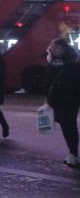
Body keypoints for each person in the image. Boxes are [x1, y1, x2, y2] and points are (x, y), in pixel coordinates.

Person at [45, 38, 80, 168]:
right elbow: (48, 81)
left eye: (57, 47)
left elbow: (75, 80)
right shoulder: (51, 61)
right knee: (66, 126)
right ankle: (72, 153)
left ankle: (73, 154)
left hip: (70, 98)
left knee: (69, 125)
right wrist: (47, 97)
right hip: (56, 99)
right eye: (52, 47)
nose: (54, 49)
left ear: (64, 48)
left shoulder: (72, 61)